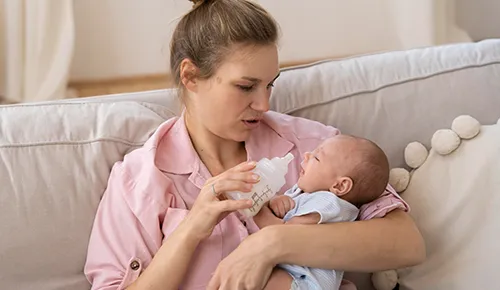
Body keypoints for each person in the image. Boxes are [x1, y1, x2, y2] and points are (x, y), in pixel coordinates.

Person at [84, 0, 426, 289]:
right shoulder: (139, 180)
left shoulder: (314, 149)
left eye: (269, 85)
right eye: (246, 87)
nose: (263, 104)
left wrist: (271, 243)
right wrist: (190, 229)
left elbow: (406, 244)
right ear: (190, 77)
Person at [252, 135, 391, 290]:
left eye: (316, 157)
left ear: (339, 186)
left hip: (304, 282)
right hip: (292, 273)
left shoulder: (330, 203)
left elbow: (286, 234)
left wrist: (257, 209)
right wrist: (276, 201)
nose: (306, 155)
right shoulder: (306, 192)